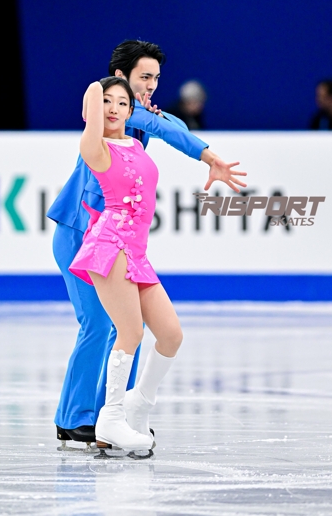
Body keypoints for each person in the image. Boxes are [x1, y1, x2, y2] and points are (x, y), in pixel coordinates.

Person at [47, 39, 247, 446]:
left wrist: (205, 154)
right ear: (119, 78)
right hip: (80, 234)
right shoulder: (106, 119)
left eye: (156, 78)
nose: (152, 85)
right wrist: (208, 157)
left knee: (131, 325)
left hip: (117, 242)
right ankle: (74, 417)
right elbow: (160, 126)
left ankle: (114, 413)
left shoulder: (135, 123)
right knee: (100, 323)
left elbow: (167, 123)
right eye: (144, 77)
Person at [68, 76, 185, 451]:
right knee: (130, 331)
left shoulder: (135, 143)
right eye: (107, 101)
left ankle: (139, 403)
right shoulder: (96, 148)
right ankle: (110, 418)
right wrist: (98, 89)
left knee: (170, 334)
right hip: (110, 245)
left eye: (121, 102)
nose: (114, 108)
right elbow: (93, 103)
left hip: (136, 251)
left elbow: (173, 130)